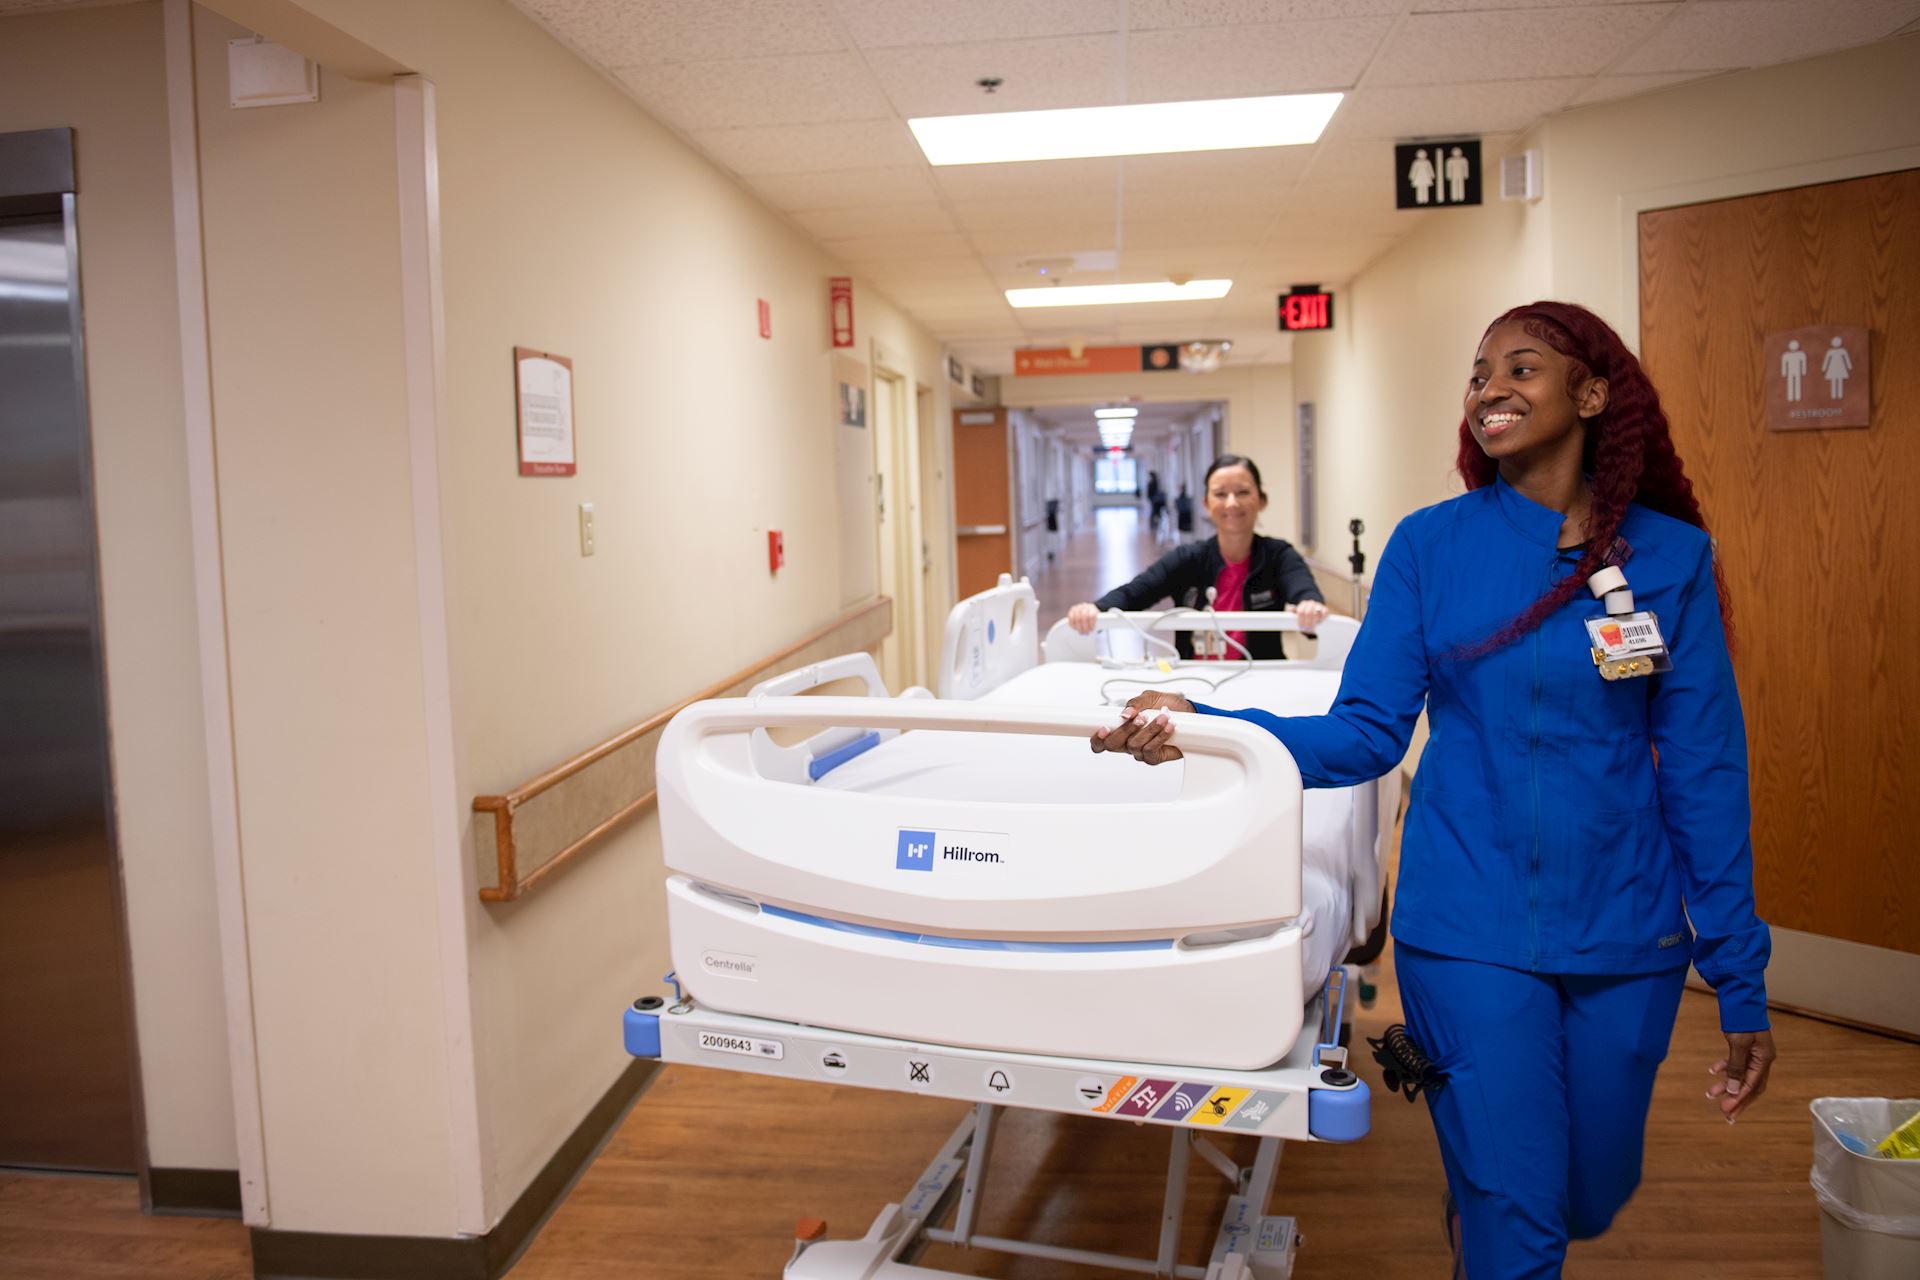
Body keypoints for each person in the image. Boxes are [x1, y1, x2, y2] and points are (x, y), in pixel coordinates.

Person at [1089, 302, 1775, 1278]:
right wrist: (1204, 725)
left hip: (1627, 933)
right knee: (1519, 1218)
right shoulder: (1431, 547)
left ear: (1589, 393)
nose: (1490, 386)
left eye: (1521, 367)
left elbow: (1706, 770)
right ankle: (1491, 1197)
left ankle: (1491, 1184)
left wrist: (1740, 975)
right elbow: (1365, 728)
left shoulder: (1669, 560)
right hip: (1467, 926)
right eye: (1479, 371)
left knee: (1589, 1190)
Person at [1066, 455, 1329, 658]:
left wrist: (1308, 604)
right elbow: (1137, 591)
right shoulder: (1188, 559)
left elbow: (1303, 587)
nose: (1231, 503)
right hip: (1195, 679)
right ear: (1206, 503)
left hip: (1262, 676)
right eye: (1220, 494)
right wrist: (1095, 609)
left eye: (1243, 492)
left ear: (1262, 500)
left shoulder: (1278, 555)